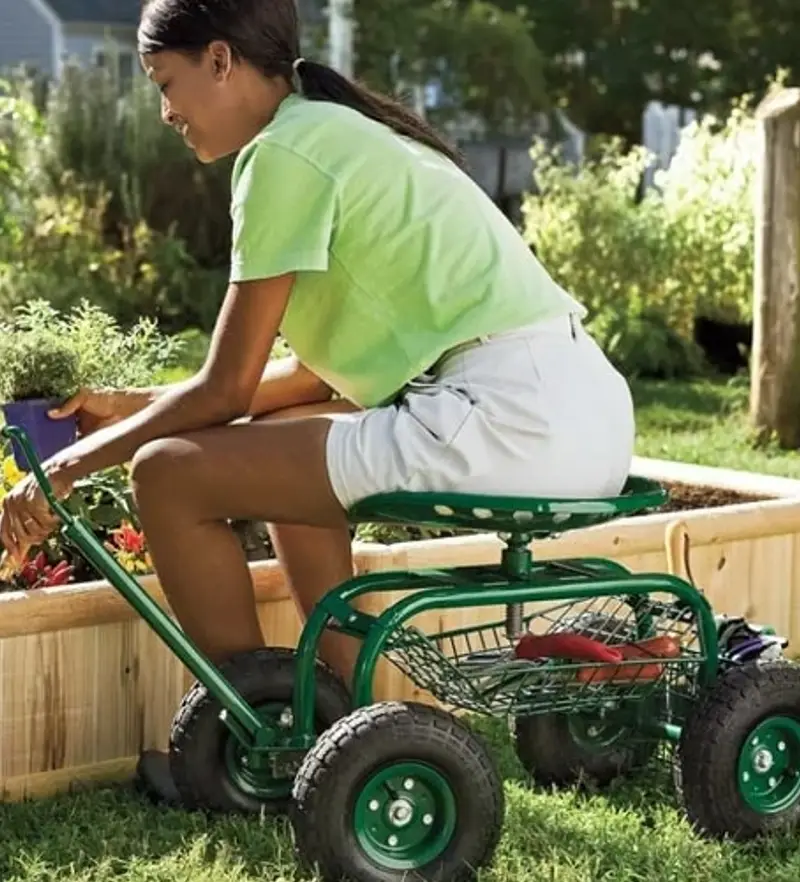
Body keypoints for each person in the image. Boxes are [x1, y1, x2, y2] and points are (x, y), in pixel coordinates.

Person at [0, 0, 635, 806]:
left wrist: (73, 462)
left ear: (221, 61)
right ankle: (343, 721)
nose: (165, 111)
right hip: (575, 412)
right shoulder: (338, 133)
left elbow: (225, 387)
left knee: (167, 474)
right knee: (285, 437)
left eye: (168, 82)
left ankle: (260, 740)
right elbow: (307, 382)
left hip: (504, 419)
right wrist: (130, 404)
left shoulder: (284, 156)